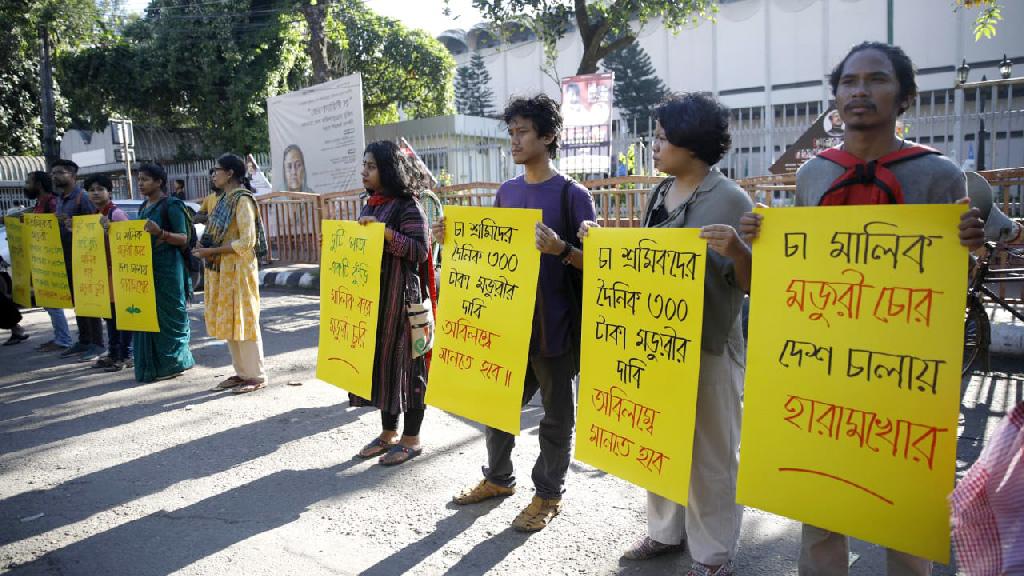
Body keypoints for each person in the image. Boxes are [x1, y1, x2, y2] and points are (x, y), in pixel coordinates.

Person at [738, 41, 986, 576]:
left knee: (905, 512)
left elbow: (948, 284)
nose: (859, 91)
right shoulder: (813, 176)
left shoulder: (939, 176)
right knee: (820, 505)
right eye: (848, 82)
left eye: (876, 80)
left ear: (905, 97)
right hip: (824, 367)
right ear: (836, 97)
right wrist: (764, 238)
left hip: (904, 373)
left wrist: (966, 246)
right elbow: (800, 273)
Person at [578, 93, 751, 576]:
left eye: (661, 138)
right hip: (658, 344)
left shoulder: (732, 199)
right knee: (658, 436)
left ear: (691, 144)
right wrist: (603, 243)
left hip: (711, 346)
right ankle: (663, 532)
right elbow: (645, 261)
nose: (653, 146)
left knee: (711, 455)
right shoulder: (660, 193)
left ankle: (713, 553)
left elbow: (754, 281)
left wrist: (739, 252)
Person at [437, 94, 597, 532]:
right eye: (511, 132)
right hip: (508, 325)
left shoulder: (571, 194)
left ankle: (547, 494)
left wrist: (562, 249)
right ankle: (498, 479)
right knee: (496, 404)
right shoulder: (507, 192)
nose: (515, 140)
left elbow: (597, 262)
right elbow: (490, 255)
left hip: (557, 327)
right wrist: (453, 239)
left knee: (557, 415)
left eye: (523, 131)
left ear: (548, 136)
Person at [351, 140, 434, 466]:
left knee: (410, 369)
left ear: (388, 169)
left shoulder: (408, 206)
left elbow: (420, 252)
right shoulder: (370, 204)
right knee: (383, 366)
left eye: (370, 166)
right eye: (364, 165)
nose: (364, 172)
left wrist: (387, 235)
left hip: (404, 304)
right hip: (378, 302)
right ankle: (388, 433)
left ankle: (411, 439)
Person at [193, 154, 268, 394]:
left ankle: (256, 375)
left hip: (238, 269)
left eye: (216, 170)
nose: (213, 175)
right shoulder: (222, 199)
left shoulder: (242, 200)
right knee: (230, 320)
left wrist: (212, 250)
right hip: (222, 269)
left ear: (231, 173)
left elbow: (247, 241)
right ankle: (242, 373)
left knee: (245, 319)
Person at [134, 163, 196, 383]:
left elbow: (183, 238)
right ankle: (154, 365)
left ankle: (174, 363)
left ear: (159, 182)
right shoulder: (143, 206)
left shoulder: (172, 205)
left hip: (169, 267)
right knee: (150, 315)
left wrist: (160, 232)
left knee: (171, 314)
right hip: (148, 268)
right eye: (139, 179)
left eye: (145, 179)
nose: (140, 183)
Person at [51, 159, 106, 362]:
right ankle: (84, 340)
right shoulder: (61, 198)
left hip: (86, 258)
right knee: (79, 301)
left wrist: (75, 226)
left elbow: (94, 225)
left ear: (72, 175)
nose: (54, 176)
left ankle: (97, 343)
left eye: (59, 172)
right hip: (68, 257)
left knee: (90, 300)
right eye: (53, 172)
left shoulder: (82, 198)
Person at [84, 174, 132, 372]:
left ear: (109, 192)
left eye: (100, 189)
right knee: (110, 316)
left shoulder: (116, 215)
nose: (95, 193)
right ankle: (113, 353)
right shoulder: (95, 216)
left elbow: (127, 244)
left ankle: (126, 355)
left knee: (121, 316)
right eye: (91, 190)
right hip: (103, 274)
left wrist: (109, 230)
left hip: (117, 274)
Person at [24, 171, 72, 352]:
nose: (26, 185)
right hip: (43, 258)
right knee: (47, 300)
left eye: (28, 181)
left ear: (38, 184)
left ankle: (64, 339)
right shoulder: (41, 203)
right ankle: (60, 337)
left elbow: (58, 228)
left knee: (52, 301)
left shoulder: (51, 202)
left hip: (53, 260)